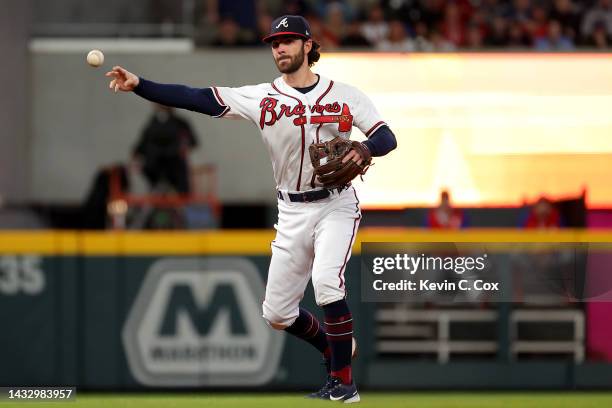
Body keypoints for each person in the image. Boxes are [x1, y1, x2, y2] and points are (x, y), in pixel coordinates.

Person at [106, 15, 397, 403]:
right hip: (292, 211)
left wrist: (364, 148)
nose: (280, 48)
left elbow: (386, 137)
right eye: (275, 42)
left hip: (336, 205)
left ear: (308, 46)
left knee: (327, 283)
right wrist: (141, 85)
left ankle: (343, 384)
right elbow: (197, 98)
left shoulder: (345, 94)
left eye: (289, 41)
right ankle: (334, 348)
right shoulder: (263, 97)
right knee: (277, 314)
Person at [132, 104, 198, 194]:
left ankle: (175, 194)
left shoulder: (180, 123)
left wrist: (183, 147)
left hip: (175, 162)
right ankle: (158, 189)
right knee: (150, 168)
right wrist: (136, 153)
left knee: (179, 179)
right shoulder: (152, 123)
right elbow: (144, 142)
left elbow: (191, 141)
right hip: (154, 164)